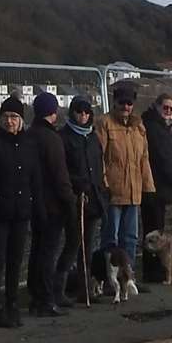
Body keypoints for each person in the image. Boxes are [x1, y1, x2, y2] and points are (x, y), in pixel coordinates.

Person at [0, 96, 41, 328]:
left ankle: (13, 304)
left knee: (15, 261)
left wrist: (36, 207)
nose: (10, 121)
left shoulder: (29, 145)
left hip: (21, 212)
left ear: (21, 120)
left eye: (14, 117)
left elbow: (35, 179)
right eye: (6, 116)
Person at [95, 81, 153, 277]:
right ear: (115, 102)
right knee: (110, 237)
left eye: (129, 103)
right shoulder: (104, 123)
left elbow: (144, 157)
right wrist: (104, 183)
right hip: (113, 191)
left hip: (133, 190)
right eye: (122, 102)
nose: (125, 107)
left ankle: (128, 276)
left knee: (130, 237)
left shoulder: (139, 127)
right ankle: (107, 277)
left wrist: (147, 186)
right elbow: (99, 156)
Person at [27, 91, 76, 314]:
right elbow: (60, 175)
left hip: (33, 202)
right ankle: (46, 299)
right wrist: (69, 201)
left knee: (36, 251)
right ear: (53, 113)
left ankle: (35, 296)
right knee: (48, 252)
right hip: (53, 205)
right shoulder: (52, 139)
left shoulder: (29, 136)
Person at [57, 94, 108, 290]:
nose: (83, 116)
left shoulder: (93, 136)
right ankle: (59, 287)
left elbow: (98, 164)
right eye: (79, 112)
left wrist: (102, 190)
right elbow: (64, 169)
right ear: (72, 113)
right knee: (73, 244)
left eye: (87, 112)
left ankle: (84, 286)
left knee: (88, 245)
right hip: (75, 198)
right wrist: (76, 187)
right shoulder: (64, 137)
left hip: (94, 198)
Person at [140, 95, 172, 276]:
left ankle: (157, 267)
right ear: (157, 106)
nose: (168, 111)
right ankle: (153, 269)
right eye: (165, 107)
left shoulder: (161, 127)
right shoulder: (154, 129)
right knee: (154, 229)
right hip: (155, 185)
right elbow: (164, 159)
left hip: (159, 185)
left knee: (156, 227)